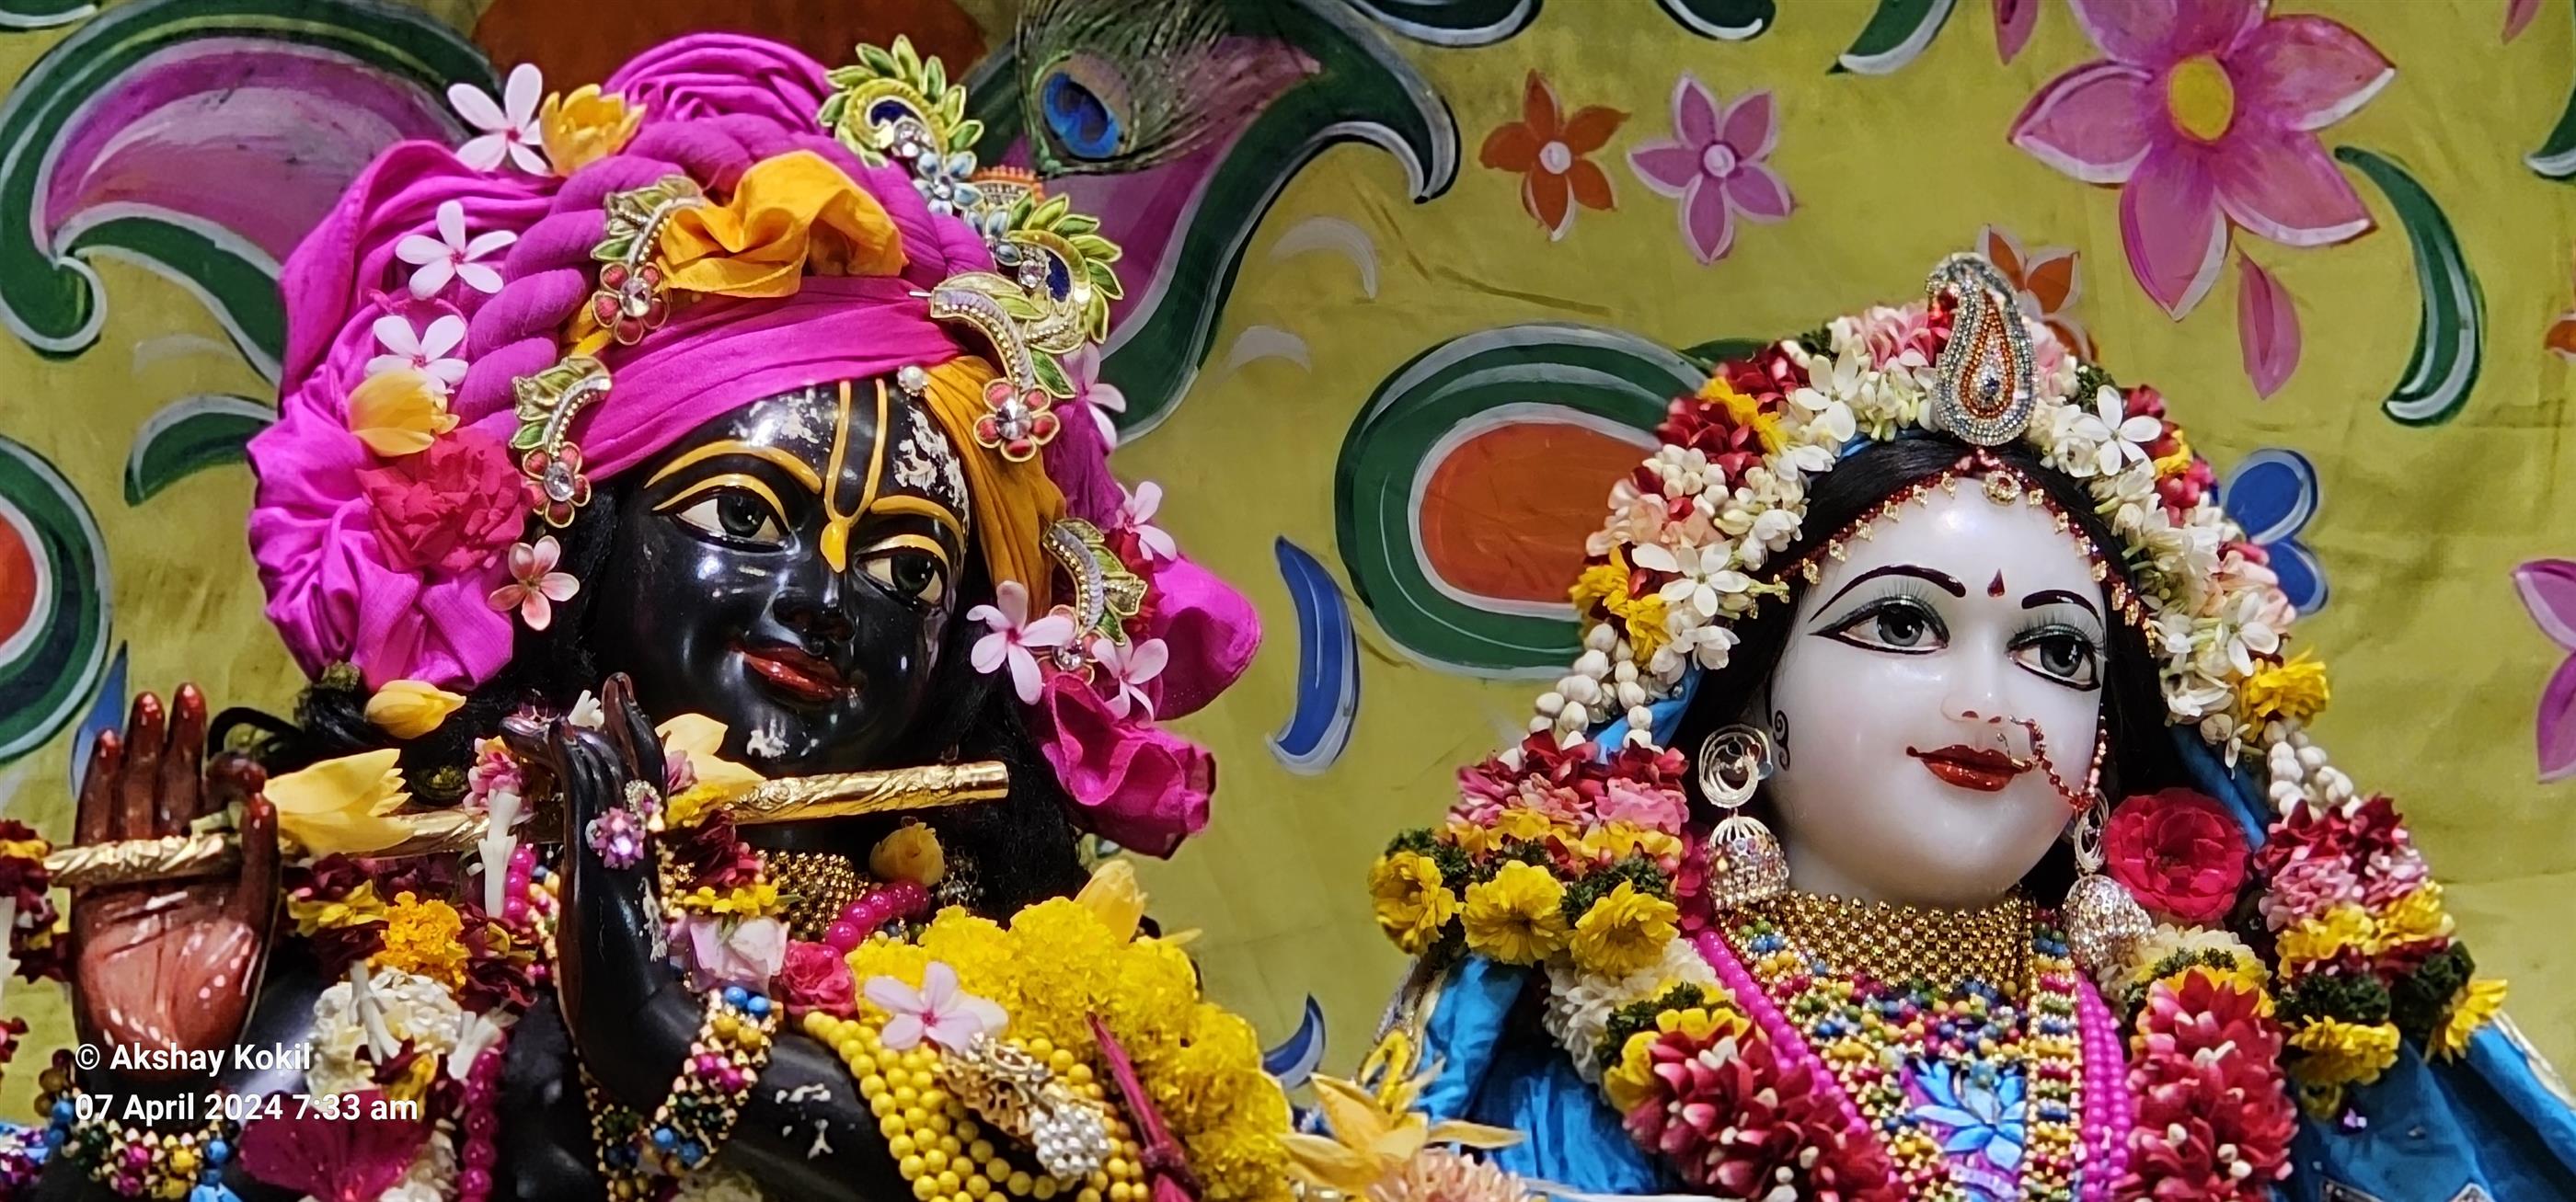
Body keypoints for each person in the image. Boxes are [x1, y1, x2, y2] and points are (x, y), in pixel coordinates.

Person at [0, 32, 1295, 1201]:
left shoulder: (1002, 972)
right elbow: (279, 1149)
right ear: (585, 545)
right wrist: (149, 1082)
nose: (823, 602)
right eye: (743, 517)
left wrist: (665, 1035)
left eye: (904, 570)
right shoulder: (408, 938)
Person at [1362, 256, 2576, 1200]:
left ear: (2105, 749)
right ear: (1745, 705)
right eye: (1901, 624)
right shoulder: (1577, 1073)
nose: (1992, 701)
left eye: (2057, 651)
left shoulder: (2214, 1049)